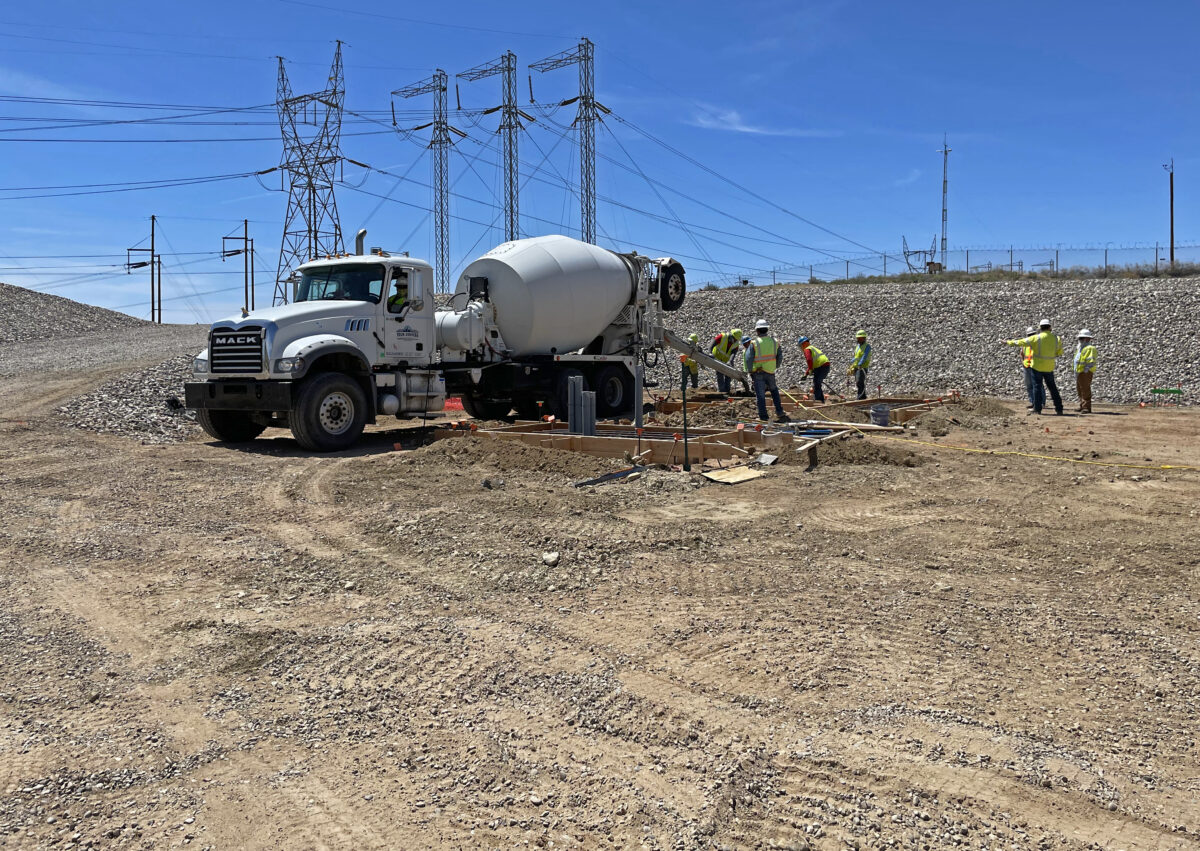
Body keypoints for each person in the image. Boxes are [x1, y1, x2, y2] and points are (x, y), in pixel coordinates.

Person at [1002, 318, 1063, 415]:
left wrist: (1008, 342)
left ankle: (1037, 409)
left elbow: (1020, 342)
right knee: (1053, 388)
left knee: (1037, 387)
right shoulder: (1056, 339)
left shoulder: (1036, 338)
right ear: (1050, 327)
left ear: (1040, 328)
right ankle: (1059, 409)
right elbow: (1059, 352)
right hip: (1049, 367)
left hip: (1037, 367)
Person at [744, 319, 788, 422]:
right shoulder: (774, 342)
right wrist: (775, 366)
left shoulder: (754, 343)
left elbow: (748, 358)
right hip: (770, 371)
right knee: (774, 391)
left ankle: (764, 417)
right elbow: (780, 356)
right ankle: (779, 411)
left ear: (757, 331)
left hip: (758, 372)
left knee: (760, 395)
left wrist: (750, 370)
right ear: (767, 329)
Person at [797, 337, 831, 403]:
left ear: (804, 344)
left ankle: (818, 400)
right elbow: (812, 363)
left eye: (801, 346)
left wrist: (810, 369)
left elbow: (809, 360)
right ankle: (820, 400)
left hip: (822, 366)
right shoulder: (812, 348)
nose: (801, 348)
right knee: (817, 383)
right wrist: (806, 373)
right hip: (823, 366)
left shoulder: (807, 349)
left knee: (817, 383)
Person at [710, 328, 742, 394]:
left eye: (736, 340)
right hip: (717, 357)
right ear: (731, 336)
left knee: (729, 373)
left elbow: (733, 353)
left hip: (726, 360)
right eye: (735, 339)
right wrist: (710, 353)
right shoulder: (722, 337)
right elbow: (712, 344)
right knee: (720, 374)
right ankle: (722, 391)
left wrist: (731, 360)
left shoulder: (736, 344)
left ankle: (727, 390)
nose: (735, 341)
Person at [1074, 329, 1098, 413]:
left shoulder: (1090, 348)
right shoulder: (1081, 348)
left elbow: (1091, 360)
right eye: (1080, 338)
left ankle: (1086, 407)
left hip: (1085, 372)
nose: (1080, 340)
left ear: (1087, 339)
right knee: (1080, 389)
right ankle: (1082, 405)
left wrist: (1086, 369)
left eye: (1082, 338)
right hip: (1080, 371)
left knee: (1085, 389)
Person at [847, 329, 872, 400]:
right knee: (858, 382)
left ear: (864, 338)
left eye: (860, 338)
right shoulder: (858, 346)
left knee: (859, 381)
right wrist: (852, 361)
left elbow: (864, 356)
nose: (858, 339)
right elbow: (856, 356)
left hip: (862, 367)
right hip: (856, 366)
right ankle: (863, 396)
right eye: (858, 338)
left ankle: (860, 396)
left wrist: (860, 363)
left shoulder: (867, 346)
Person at [1019, 325, 1037, 409]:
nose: (1031, 336)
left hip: (1035, 366)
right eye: (1030, 335)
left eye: (1032, 334)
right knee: (1029, 385)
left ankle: (1041, 402)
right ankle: (1033, 402)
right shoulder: (1025, 343)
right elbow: (1021, 354)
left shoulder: (1037, 343)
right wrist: (1023, 362)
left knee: (1037, 385)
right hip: (1027, 366)